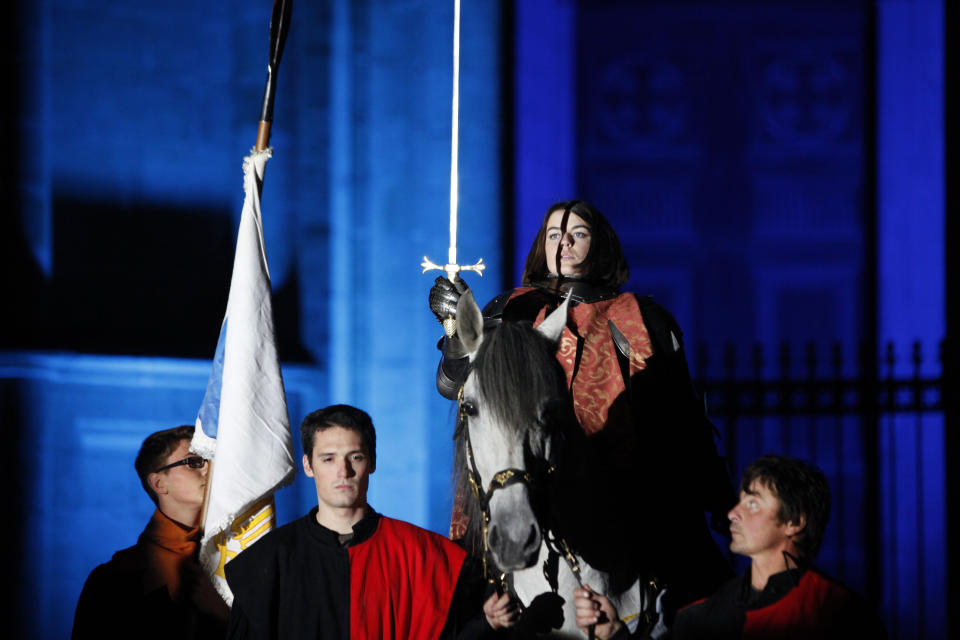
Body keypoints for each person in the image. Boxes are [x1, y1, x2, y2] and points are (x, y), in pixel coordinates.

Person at [430, 200, 734, 613]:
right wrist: (452, 329)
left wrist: (714, 488)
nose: (564, 243)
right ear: (542, 244)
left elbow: (683, 415)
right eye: (554, 234)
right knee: (467, 600)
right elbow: (455, 386)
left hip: (627, 484)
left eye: (579, 233)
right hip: (528, 472)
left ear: (601, 243)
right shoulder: (510, 309)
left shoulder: (645, 317)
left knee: (697, 590)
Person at [224, 404, 516, 639]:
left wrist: (485, 624)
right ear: (308, 466)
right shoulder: (268, 560)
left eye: (356, 457)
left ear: (372, 462)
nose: (344, 471)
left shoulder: (424, 555)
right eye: (328, 459)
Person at [574, 454, 887, 639]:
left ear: (795, 522)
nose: (733, 513)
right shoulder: (698, 619)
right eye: (740, 501)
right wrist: (614, 631)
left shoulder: (839, 616)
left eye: (753, 503)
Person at [71, 425, 229, 639]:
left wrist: (226, 615)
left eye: (212, 460)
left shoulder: (234, 559)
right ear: (158, 483)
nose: (209, 469)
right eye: (194, 461)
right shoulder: (112, 579)